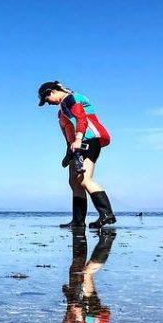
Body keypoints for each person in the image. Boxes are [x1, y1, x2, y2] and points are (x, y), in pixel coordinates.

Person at [37, 80, 117, 229]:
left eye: (47, 100)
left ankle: (107, 214)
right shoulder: (61, 111)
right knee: (74, 182)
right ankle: (78, 221)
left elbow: (81, 118)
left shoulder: (71, 99)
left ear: (52, 92)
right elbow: (68, 133)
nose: (48, 103)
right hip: (78, 145)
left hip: (89, 139)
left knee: (85, 179)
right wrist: (69, 153)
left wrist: (79, 139)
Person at [39, 229, 114, 323]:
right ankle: (107, 240)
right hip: (90, 316)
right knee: (86, 273)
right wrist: (80, 316)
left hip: (92, 316)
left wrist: (70, 298)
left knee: (85, 274)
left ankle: (105, 240)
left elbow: (69, 321)